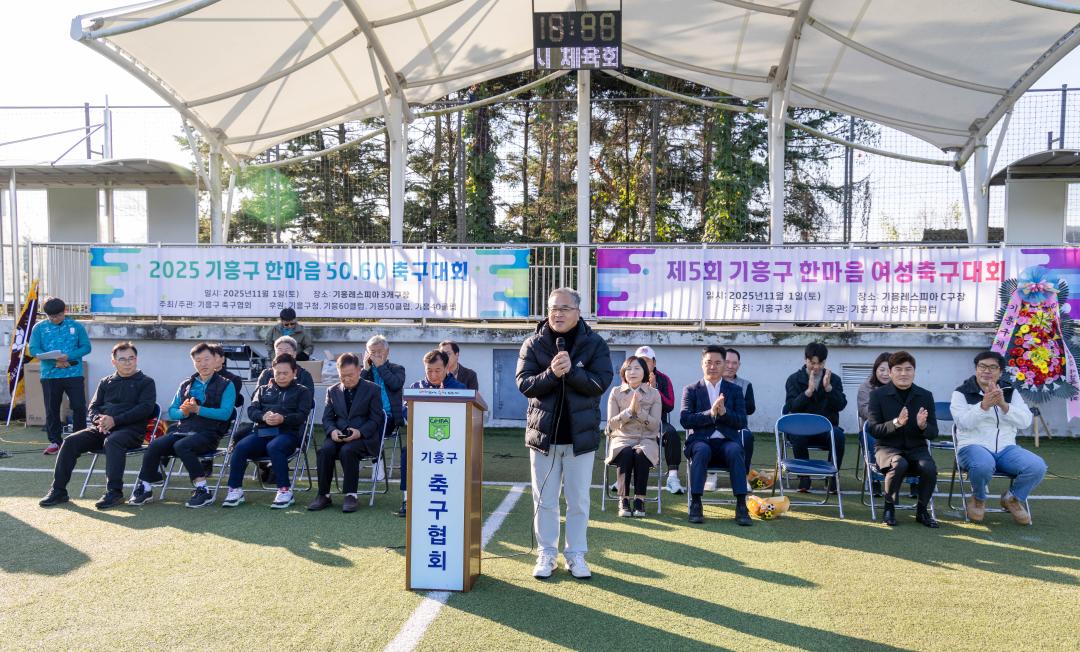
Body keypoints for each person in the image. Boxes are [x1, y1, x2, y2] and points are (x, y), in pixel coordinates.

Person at [517, 287, 612, 580]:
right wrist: (551, 374)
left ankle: (576, 555)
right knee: (544, 499)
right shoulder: (533, 344)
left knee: (578, 500)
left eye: (564, 308)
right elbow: (524, 384)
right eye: (553, 308)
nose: (557, 314)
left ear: (578, 312)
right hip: (543, 437)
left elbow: (600, 383)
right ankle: (547, 553)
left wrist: (571, 372)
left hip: (579, 438)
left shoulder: (595, 344)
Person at [38, 342, 156, 509]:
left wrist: (115, 420)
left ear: (136, 360)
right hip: (102, 429)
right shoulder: (105, 381)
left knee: (113, 441)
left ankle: (114, 493)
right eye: (122, 359)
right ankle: (58, 491)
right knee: (71, 440)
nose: (128, 362)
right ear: (114, 362)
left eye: (131, 358)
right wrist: (99, 420)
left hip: (131, 431)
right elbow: (93, 408)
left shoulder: (146, 382)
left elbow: (146, 409)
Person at [129, 342, 237, 509]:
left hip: (210, 433)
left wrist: (198, 409)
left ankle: (203, 490)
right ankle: (146, 487)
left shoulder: (226, 384)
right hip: (183, 431)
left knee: (182, 446)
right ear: (193, 363)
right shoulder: (186, 384)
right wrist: (184, 413)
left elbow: (225, 414)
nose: (203, 364)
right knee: (155, 445)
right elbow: (172, 412)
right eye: (198, 360)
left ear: (216, 360)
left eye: (207, 359)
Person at [950, 351, 1044, 525]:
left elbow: (1025, 421)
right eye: (982, 366)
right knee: (983, 464)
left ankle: (1012, 498)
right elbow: (963, 424)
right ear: (976, 369)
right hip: (972, 446)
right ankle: (978, 498)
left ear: (1000, 372)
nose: (987, 371)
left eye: (993, 367)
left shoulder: (1010, 392)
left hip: (1006, 448)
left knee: (1037, 466)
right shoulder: (961, 393)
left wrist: (1004, 405)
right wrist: (983, 405)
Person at [222, 354, 313, 509]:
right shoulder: (263, 390)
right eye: (278, 373)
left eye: (286, 373)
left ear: (294, 372)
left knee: (274, 447)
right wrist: (263, 416)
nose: (281, 376)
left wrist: (283, 418)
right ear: (273, 371)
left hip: (289, 434)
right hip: (262, 432)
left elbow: (302, 416)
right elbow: (252, 411)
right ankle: (235, 489)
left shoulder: (302, 391)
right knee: (241, 446)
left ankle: (284, 491)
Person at [680, 345, 752, 526]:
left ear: (724, 365)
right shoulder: (691, 389)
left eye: (717, 363)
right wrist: (710, 413)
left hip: (726, 441)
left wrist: (725, 413)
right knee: (702, 450)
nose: (712, 367)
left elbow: (742, 421)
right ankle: (696, 502)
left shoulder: (734, 390)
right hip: (700, 441)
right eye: (708, 362)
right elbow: (685, 420)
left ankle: (741, 505)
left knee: (736, 449)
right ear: (702, 364)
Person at [867, 350, 940, 527]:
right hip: (887, 448)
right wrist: (896, 423)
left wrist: (923, 426)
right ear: (890, 372)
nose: (903, 374)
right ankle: (889, 508)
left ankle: (922, 512)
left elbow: (934, 432)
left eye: (908, 369)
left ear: (914, 371)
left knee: (929, 467)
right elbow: (873, 429)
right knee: (899, 463)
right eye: (898, 369)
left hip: (916, 448)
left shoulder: (925, 395)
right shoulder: (877, 395)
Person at [308, 353, 385, 513]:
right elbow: (327, 418)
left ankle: (351, 495)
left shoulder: (373, 389)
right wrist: (333, 430)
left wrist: (360, 432)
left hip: (364, 438)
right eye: (343, 376)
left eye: (350, 375)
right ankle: (323, 494)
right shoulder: (332, 390)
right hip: (339, 435)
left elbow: (376, 419)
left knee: (348, 451)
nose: (347, 379)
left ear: (359, 370)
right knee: (324, 451)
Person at [28, 297, 91, 455]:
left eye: (57, 315)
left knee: (78, 406)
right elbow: (33, 349)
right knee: (52, 409)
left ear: (65, 311)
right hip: (50, 375)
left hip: (73, 374)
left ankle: (79, 440)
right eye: (51, 316)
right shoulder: (39, 328)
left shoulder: (76, 326)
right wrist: (52, 359)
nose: (54, 319)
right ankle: (55, 441)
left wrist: (68, 356)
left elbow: (86, 347)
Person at [783, 342, 847, 493]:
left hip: (825, 429)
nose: (816, 367)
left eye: (821, 363)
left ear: (825, 362)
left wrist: (829, 389)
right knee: (797, 435)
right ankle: (804, 477)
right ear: (806, 360)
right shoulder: (793, 379)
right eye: (813, 363)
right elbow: (791, 407)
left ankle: (832, 477)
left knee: (838, 435)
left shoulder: (834, 379)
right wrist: (808, 392)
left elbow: (841, 405)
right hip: (801, 429)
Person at [605, 356, 661, 517]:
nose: (632, 372)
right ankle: (623, 500)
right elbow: (610, 426)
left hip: (646, 440)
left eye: (637, 368)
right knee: (627, 453)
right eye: (628, 368)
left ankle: (639, 500)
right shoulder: (616, 392)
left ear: (645, 372)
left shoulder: (654, 394)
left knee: (640, 453)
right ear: (623, 372)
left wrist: (640, 412)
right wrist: (629, 412)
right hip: (621, 439)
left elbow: (655, 425)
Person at [360, 334, 406, 516]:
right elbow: (358, 390)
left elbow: (395, 384)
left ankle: (376, 461)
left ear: (387, 352)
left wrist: (380, 367)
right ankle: (364, 457)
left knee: (376, 425)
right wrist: (365, 369)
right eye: (372, 352)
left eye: (380, 352)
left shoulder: (397, 368)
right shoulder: (365, 371)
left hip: (389, 417)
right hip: (368, 417)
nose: (376, 355)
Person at [634, 346, 681, 494]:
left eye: (646, 361)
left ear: (654, 363)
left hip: (657, 422)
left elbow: (670, 405)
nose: (643, 364)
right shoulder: (630, 377)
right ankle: (624, 474)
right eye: (640, 361)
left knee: (672, 433)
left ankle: (672, 476)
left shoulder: (664, 379)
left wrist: (654, 390)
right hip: (634, 422)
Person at [256, 336, 315, 406]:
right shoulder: (266, 374)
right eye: (279, 350)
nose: (283, 353)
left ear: (295, 353)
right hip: (266, 413)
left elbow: (308, 401)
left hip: (292, 413)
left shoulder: (304, 375)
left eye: (287, 350)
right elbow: (255, 398)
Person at [857, 352, 892, 426]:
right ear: (875, 370)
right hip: (872, 428)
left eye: (889, 370)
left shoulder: (901, 387)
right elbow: (863, 411)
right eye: (882, 370)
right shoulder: (865, 387)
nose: (885, 374)